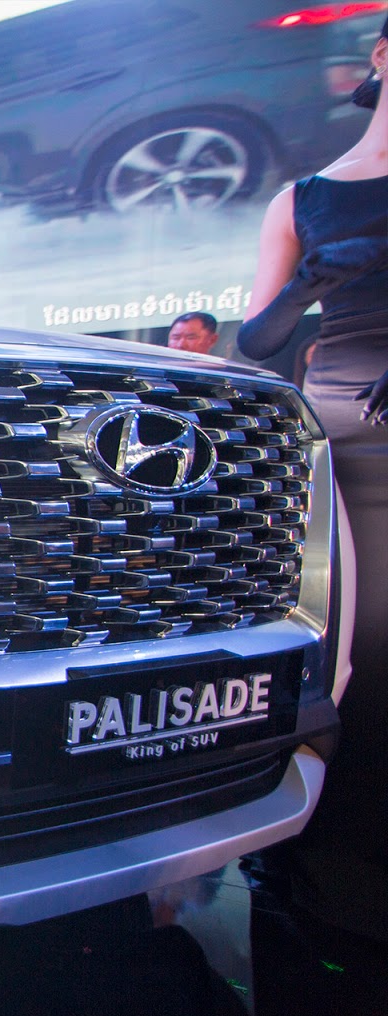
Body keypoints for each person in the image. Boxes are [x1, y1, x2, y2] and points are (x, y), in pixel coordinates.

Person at [237, 16, 388, 939]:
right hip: (338, 440)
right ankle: (322, 860)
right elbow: (257, 339)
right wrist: (307, 288)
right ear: (382, 57)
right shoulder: (303, 198)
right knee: (345, 646)